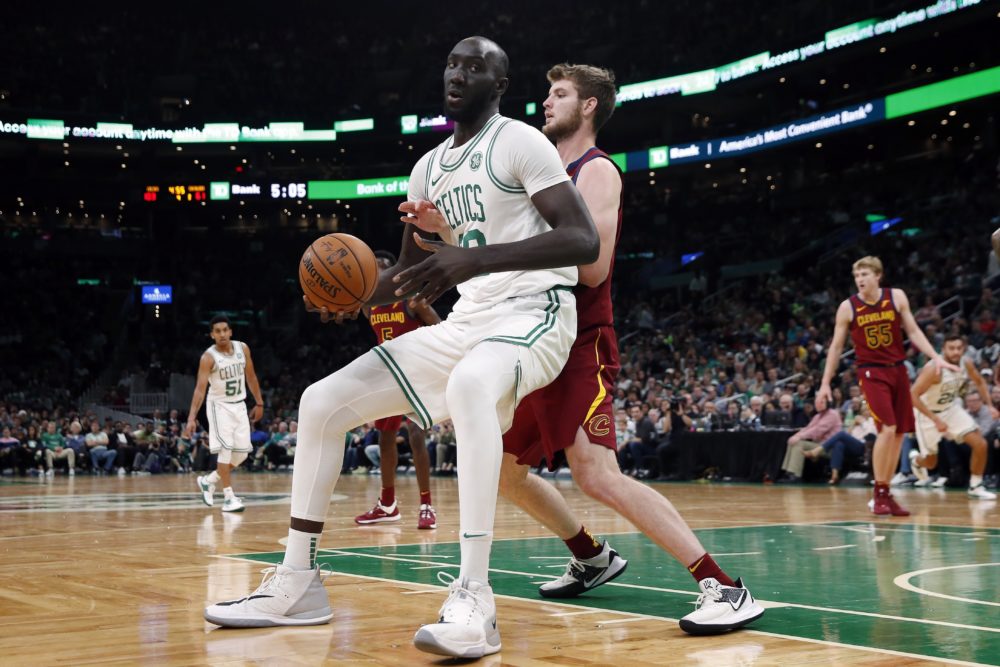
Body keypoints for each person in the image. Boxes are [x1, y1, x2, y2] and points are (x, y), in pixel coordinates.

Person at [204, 36, 600, 661]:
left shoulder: (519, 141)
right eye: (452, 64)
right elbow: (410, 274)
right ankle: (298, 582)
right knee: (320, 401)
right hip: (469, 322)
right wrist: (354, 295)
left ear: (498, 86)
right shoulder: (428, 168)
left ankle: (474, 598)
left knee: (471, 384)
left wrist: (472, 258)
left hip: (537, 312)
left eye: (476, 68)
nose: (458, 74)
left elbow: (582, 239)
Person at [495, 62, 762, 635]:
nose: (546, 101)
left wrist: (516, 247)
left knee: (597, 474)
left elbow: (591, 270)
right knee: (503, 469)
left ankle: (724, 586)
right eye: (547, 93)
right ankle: (591, 556)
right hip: (536, 339)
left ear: (589, 106)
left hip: (580, 343)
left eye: (559, 94)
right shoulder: (542, 175)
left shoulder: (597, 173)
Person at [817, 256, 957, 515]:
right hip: (871, 372)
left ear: (877, 276)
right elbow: (836, 347)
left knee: (900, 433)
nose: (860, 280)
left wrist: (936, 356)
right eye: (857, 276)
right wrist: (825, 382)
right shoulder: (848, 307)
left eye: (865, 274)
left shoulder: (897, 297)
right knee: (888, 428)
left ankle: (886, 492)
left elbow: (913, 331)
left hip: (898, 370)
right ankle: (878, 492)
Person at [354, 250, 442, 530]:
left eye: (382, 268)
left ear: (393, 273)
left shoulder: (411, 301)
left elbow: (441, 328)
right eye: (374, 269)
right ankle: (387, 504)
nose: (378, 273)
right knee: (385, 437)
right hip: (388, 375)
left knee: (416, 435)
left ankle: (426, 504)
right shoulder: (370, 307)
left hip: (416, 374)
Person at [185, 316, 264, 513]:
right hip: (219, 406)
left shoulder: (242, 348)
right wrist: (191, 417)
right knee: (226, 450)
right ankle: (228, 497)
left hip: (240, 405)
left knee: (242, 454)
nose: (222, 334)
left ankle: (209, 480)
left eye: (225, 330)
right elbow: (199, 390)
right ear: (212, 335)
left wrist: (260, 402)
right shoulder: (208, 358)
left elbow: (251, 377)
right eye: (217, 331)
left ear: (230, 332)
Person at [909, 335, 997, 499]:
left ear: (963, 348)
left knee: (981, 444)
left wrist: (990, 405)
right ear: (943, 349)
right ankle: (916, 460)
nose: (956, 352)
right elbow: (912, 395)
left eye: (959, 348)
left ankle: (975, 485)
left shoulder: (966, 363)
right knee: (931, 462)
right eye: (951, 348)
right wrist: (936, 420)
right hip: (927, 414)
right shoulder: (934, 369)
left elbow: (979, 381)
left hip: (950, 409)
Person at [777, 394, 842, 483]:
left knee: (798, 443)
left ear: (828, 403)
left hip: (829, 448)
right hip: (818, 445)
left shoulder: (832, 414)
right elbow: (808, 428)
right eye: (817, 402)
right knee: (792, 441)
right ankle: (788, 472)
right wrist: (796, 435)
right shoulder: (818, 416)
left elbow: (817, 430)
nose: (818, 404)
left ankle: (795, 475)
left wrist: (799, 436)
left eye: (821, 402)